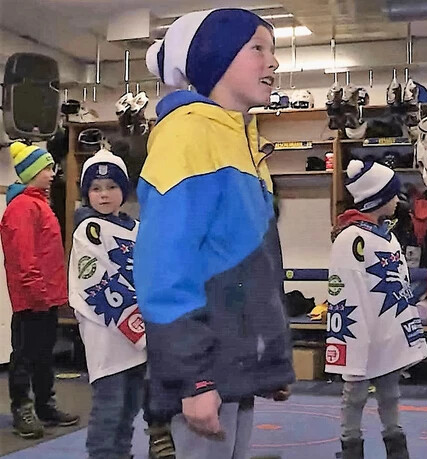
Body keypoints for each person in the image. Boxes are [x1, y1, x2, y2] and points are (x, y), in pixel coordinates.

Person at [135, 8, 294, 459]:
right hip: (206, 369)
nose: (273, 63)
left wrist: (271, 359)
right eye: (257, 48)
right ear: (216, 59)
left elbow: (255, 267)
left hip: (235, 365)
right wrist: (193, 377)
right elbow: (164, 270)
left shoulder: (238, 139)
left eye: (273, 50)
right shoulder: (187, 135)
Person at [68, 149, 175, 458]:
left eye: (112, 186)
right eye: (96, 188)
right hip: (110, 338)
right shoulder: (88, 231)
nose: (104, 195)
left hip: (139, 342)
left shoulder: (137, 229)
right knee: (109, 411)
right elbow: (96, 284)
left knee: (129, 410)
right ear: (87, 193)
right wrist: (141, 330)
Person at [326, 160, 427, 459]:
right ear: (380, 197)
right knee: (355, 396)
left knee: (390, 393)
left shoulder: (387, 236)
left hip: (387, 333)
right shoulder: (351, 238)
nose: (399, 201)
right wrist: (354, 341)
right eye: (394, 195)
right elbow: (345, 293)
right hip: (362, 333)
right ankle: (351, 448)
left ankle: (396, 448)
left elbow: (399, 286)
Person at [1, 142, 79, 439]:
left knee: (44, 355)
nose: (52, 172)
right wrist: (37, 295)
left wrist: (52, 297)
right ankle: (23, 407)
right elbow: (24, 258)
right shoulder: (22, 208)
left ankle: (45, 405)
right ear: (32, 172)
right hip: (31, 300)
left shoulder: (39, 204)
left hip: (46, 298)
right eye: (46, 168)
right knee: (24, 355)